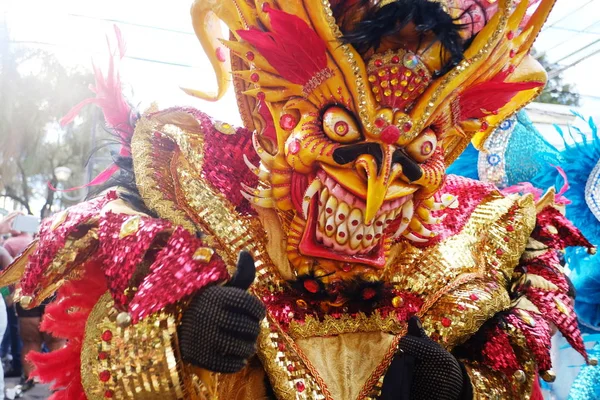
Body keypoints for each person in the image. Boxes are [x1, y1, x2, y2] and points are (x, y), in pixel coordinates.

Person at [0, 0, 594, 399]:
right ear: (272, 111)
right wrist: (182, 341)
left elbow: (517, 381)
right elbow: (101, 369)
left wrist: (462, 388)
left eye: (419, 145)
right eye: (341, 132)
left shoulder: (477, 237)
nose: (380, 179)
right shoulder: (196, 192)